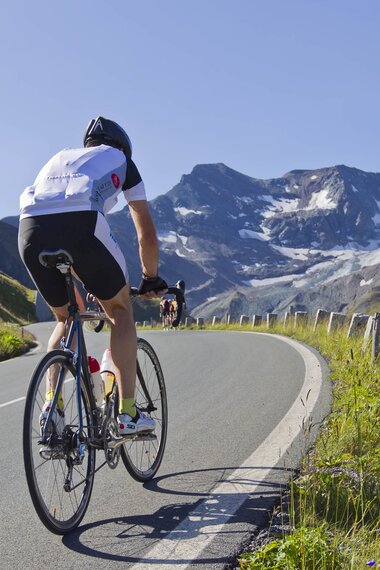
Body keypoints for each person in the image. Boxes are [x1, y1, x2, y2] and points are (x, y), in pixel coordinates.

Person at [18, 116, 167, 435]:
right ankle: (127, 414)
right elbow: (147, 234)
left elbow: (54, 217)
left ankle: (51, 410)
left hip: (29, 229)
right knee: (121, 310)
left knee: (65, 319)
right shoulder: (122, 161)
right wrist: (150, 277)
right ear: (123, 146)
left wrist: (86, 280)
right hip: (82, 224)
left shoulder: (60, 158)